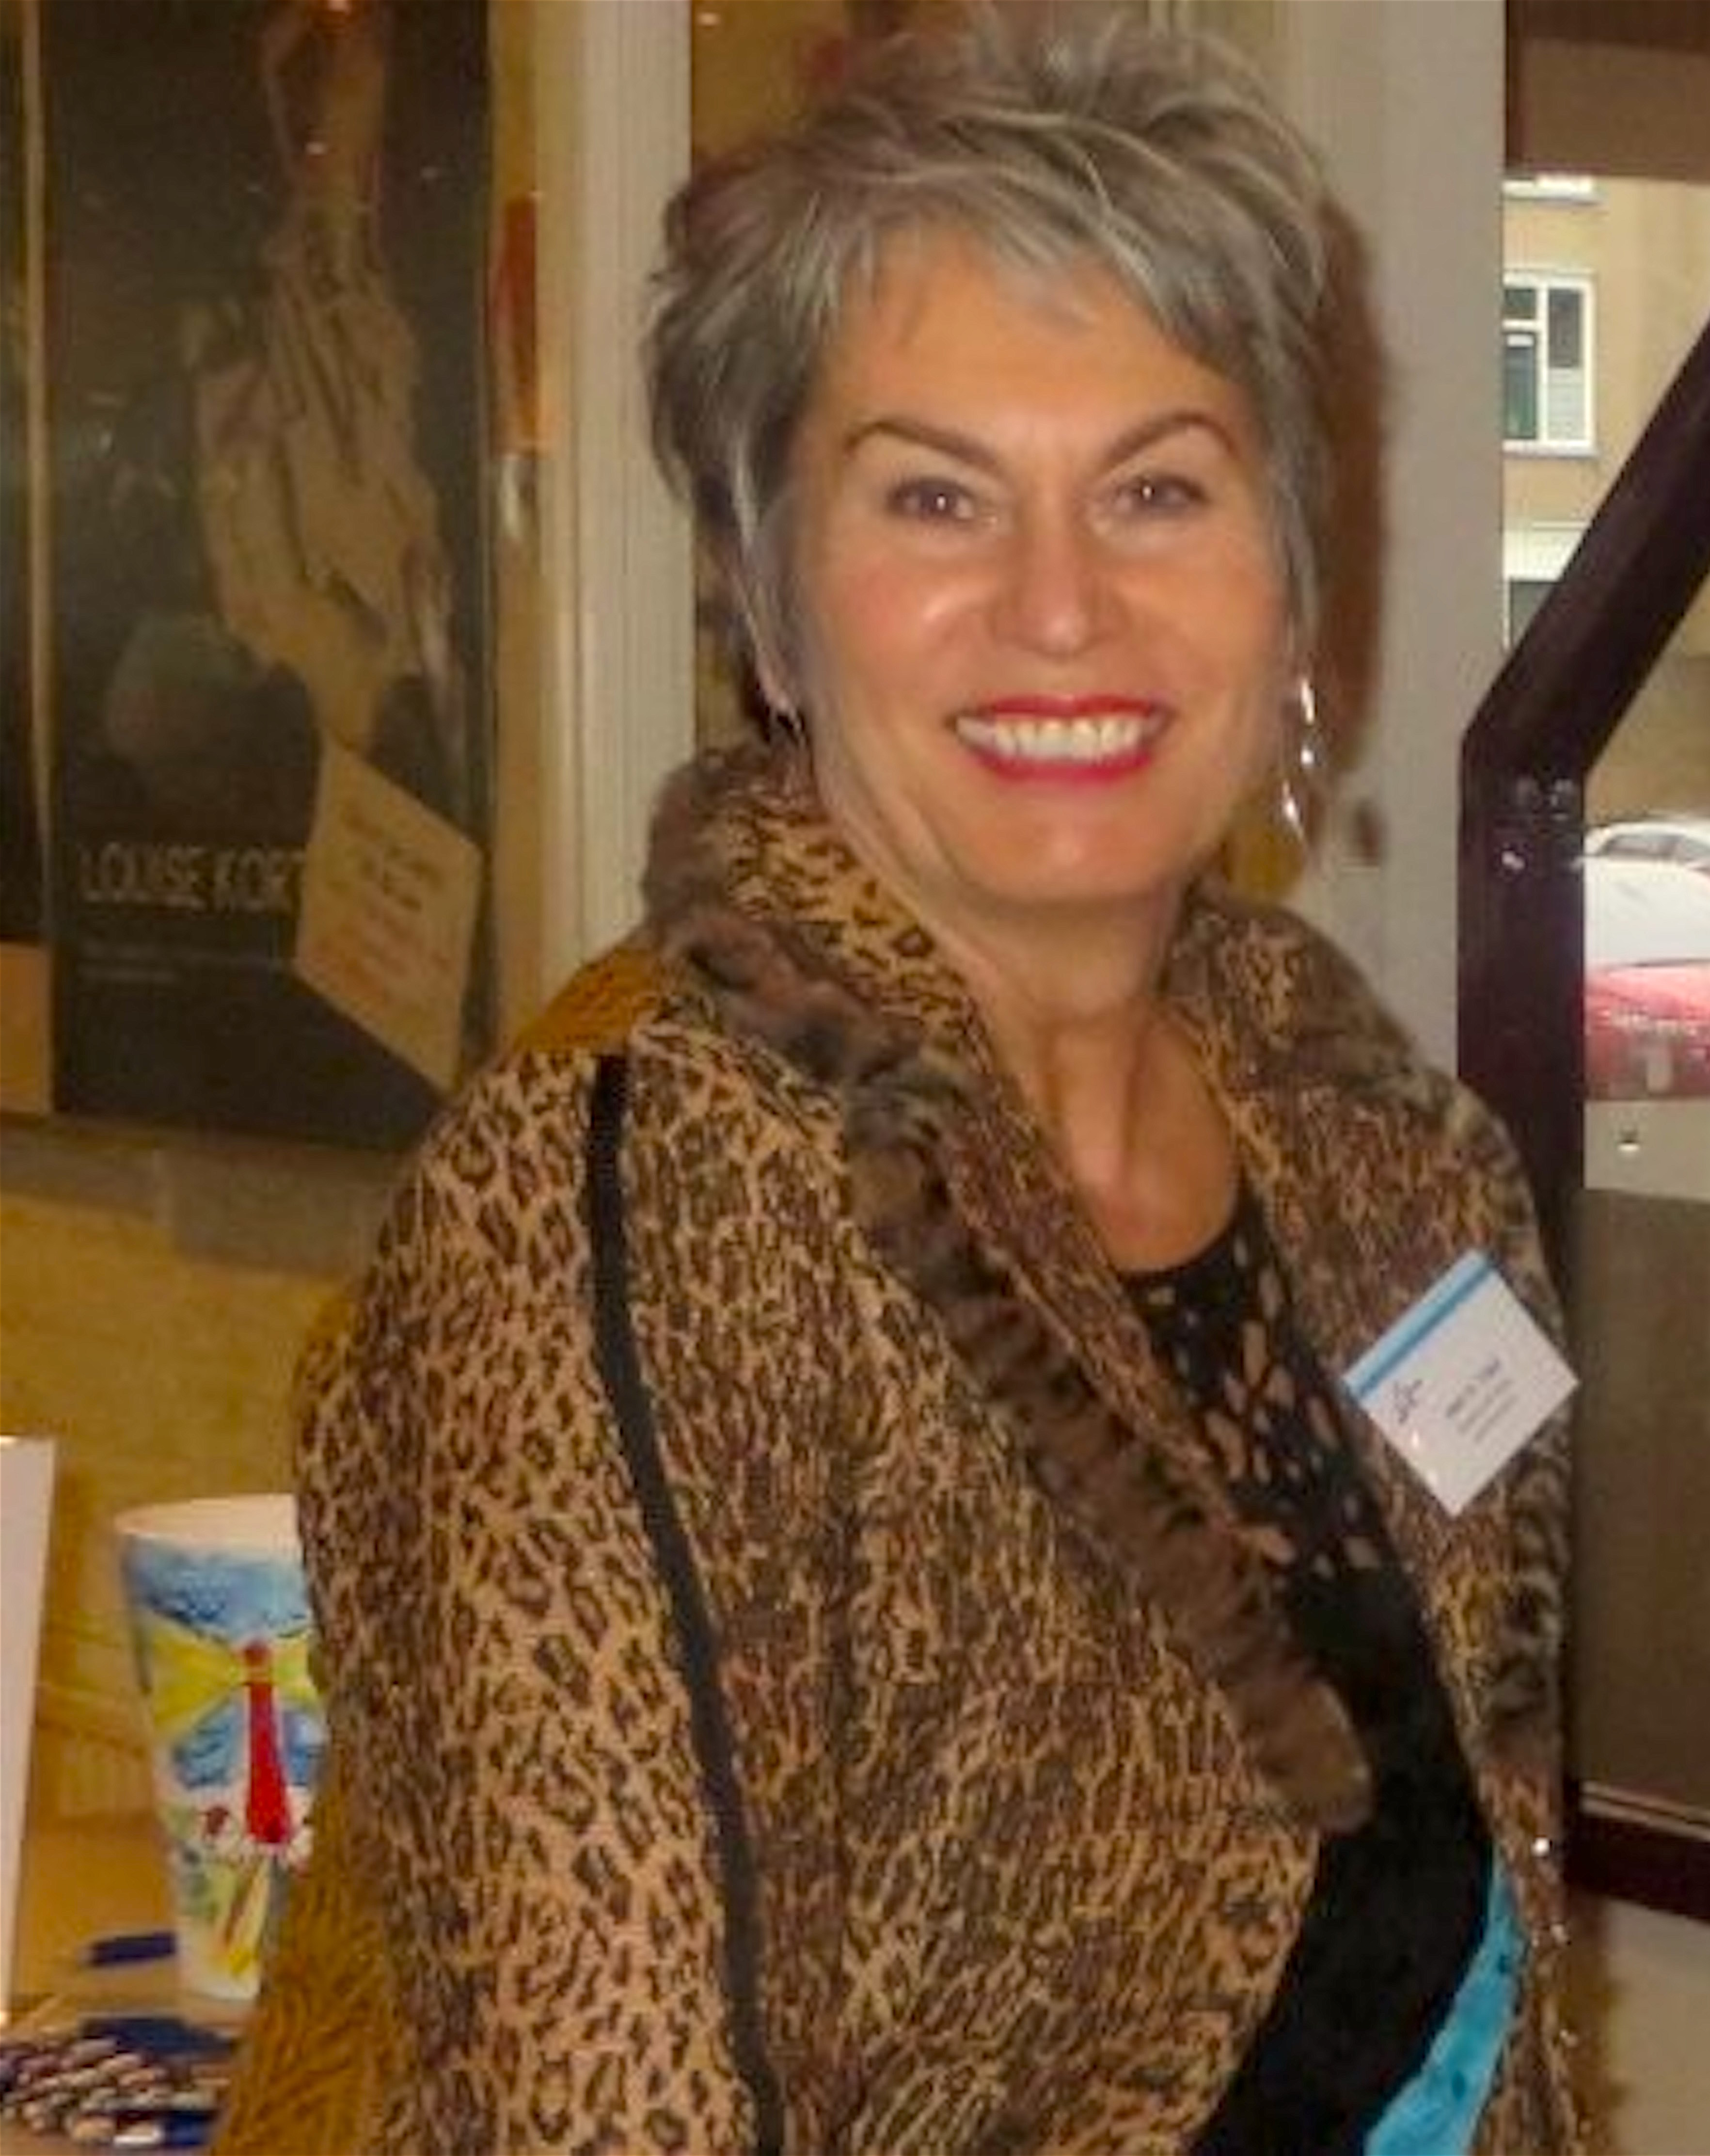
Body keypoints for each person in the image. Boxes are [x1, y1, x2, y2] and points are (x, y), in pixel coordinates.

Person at [214, 15, 1579, 2154]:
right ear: (772, 603)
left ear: (1292, 581)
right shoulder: (628, 1196)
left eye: (1157, 486)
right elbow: (608, 2108)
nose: (1062, 605)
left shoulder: (1386, 1165)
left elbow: (1476, 1960)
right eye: (935, 495)